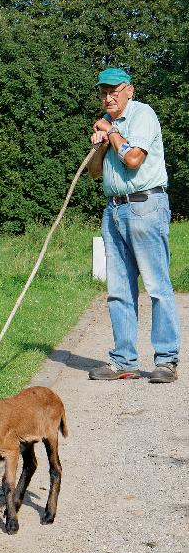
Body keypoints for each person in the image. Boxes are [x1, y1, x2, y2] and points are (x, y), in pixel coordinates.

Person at [87, 67, 180, 384]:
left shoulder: (142, 115)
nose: (107, 97)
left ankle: (166, 360)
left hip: (146, 206)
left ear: (129, 90)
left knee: (157, 286)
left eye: (114, 90)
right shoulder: (110, 126)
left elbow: (134, 159)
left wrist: (110, 132)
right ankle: (123, 360)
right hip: (114, 211)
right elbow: (96, 173)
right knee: (118, 290)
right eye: (103, 92)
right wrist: (100, 143)